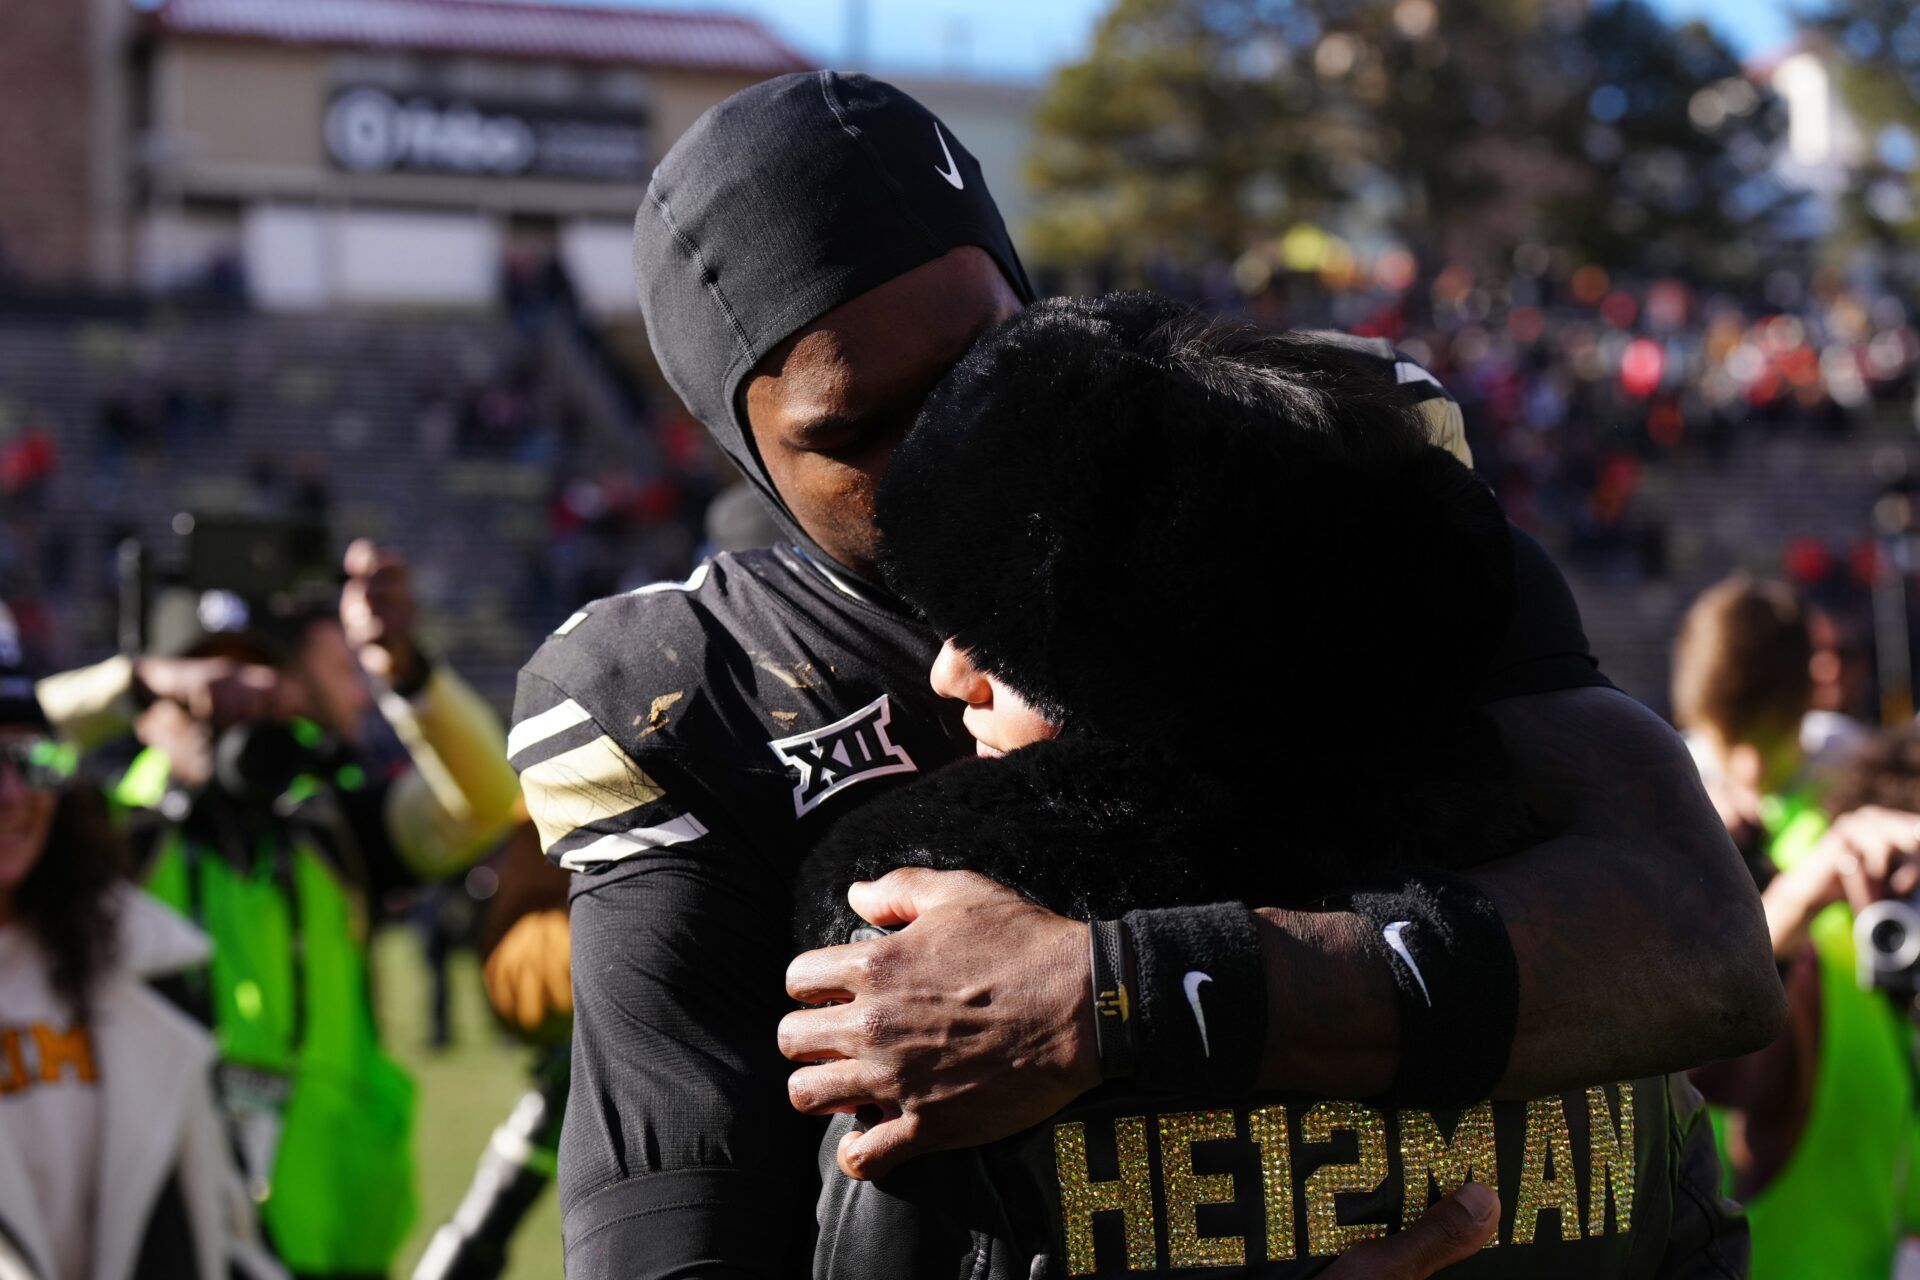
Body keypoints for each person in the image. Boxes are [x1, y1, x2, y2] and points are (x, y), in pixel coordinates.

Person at [511, 72, 1779, 1277]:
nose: (950, 443)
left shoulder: (1301, 473)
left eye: (980, 362)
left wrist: (1122, 994)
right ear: (751, 460)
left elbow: (1700, 943)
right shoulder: (698, 693)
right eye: (856, 431)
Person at [794, 294, 1743, 1278]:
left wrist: (1121, 993)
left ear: (1159, 648)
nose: (951, 676)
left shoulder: (943, 998)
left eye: (1003, 630)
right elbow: (1703, 1239)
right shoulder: (1590, 944)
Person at [32, 540, 521, 1279]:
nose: (231, 705)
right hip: (160, 1241)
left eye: (253, 677)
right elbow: (15, 762)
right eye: (206, 679)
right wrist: (128, 683)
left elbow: (482, 803)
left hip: (336, 1240)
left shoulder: (327, 828)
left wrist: (409, 677)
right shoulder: (106, 839)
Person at [0, 631, 282, 1280]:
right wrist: (138, 679)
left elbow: (216, 1226)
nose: (13, 797)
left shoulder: (140, 966)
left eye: (30, 760)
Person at [1678, 577, 1920, 1280]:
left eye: (1769, 734)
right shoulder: (1671, 811)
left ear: (1814, 693)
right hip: (1741, 1193)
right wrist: (1807, 887)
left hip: (1868, 1183)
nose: (1750, 767)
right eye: (1731, 741)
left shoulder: (1866, 780)